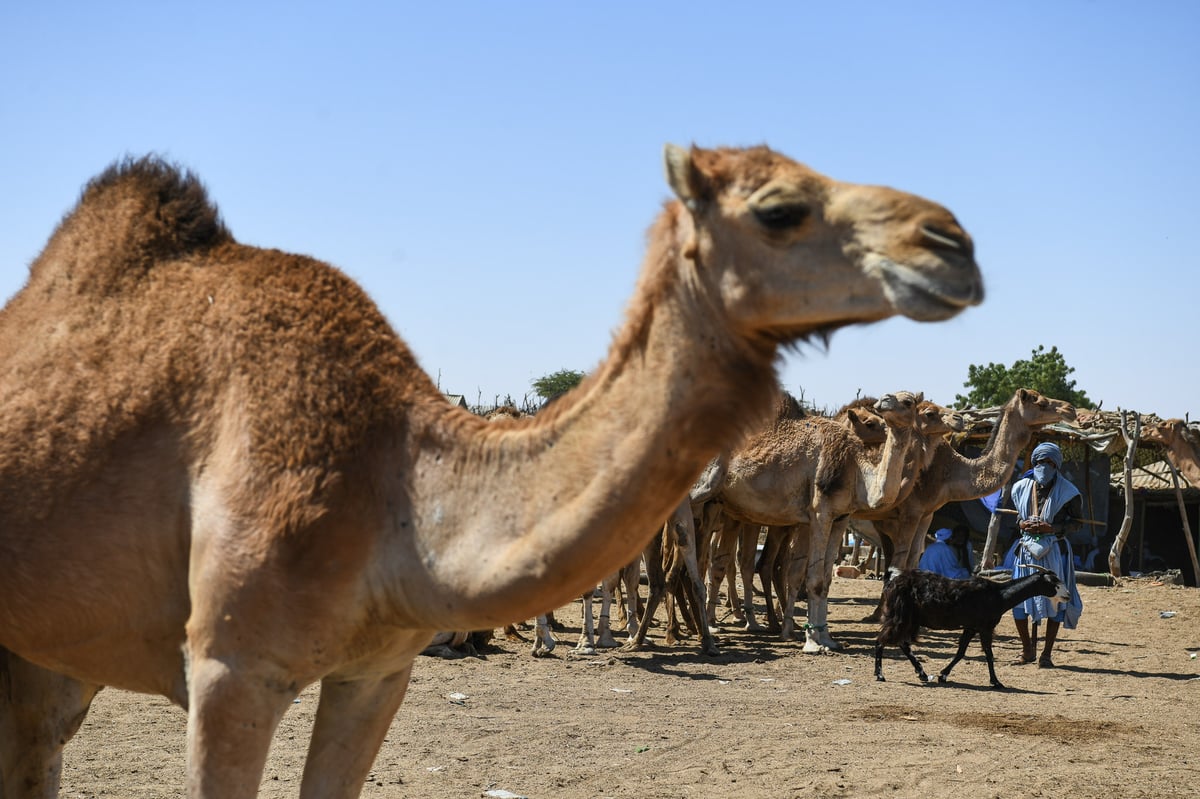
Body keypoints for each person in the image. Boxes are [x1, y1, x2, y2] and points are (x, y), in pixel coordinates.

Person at [1002, 441, 1084, 667]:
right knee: (1018, 600)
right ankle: (1027, 650)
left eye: (1049, 462)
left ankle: (1046, 654)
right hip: (1026, 550)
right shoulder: (1020, 487)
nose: (1044, 466)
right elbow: (1018, 517)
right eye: (1040, 462)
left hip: (1054, 550)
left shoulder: (1069, 493)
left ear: (1056, 465)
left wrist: (1053, 528)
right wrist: (1024, 523)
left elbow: (1077, 523)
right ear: (1034, 463)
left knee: (1055, 600)